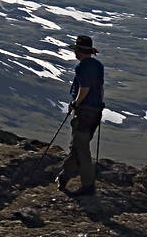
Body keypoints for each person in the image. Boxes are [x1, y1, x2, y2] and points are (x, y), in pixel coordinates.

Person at [56, 35, 104, 196]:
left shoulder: (81, 68)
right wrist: (100, 104)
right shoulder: (98, 66)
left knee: (81, 148)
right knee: (78, 146)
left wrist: (76, 103)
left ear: (79, 51)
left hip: (84, 112)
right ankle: (63, 177)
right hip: (96, 112)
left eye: (76, 49)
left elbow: (84, 88)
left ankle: (88, 186)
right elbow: (100, 88)